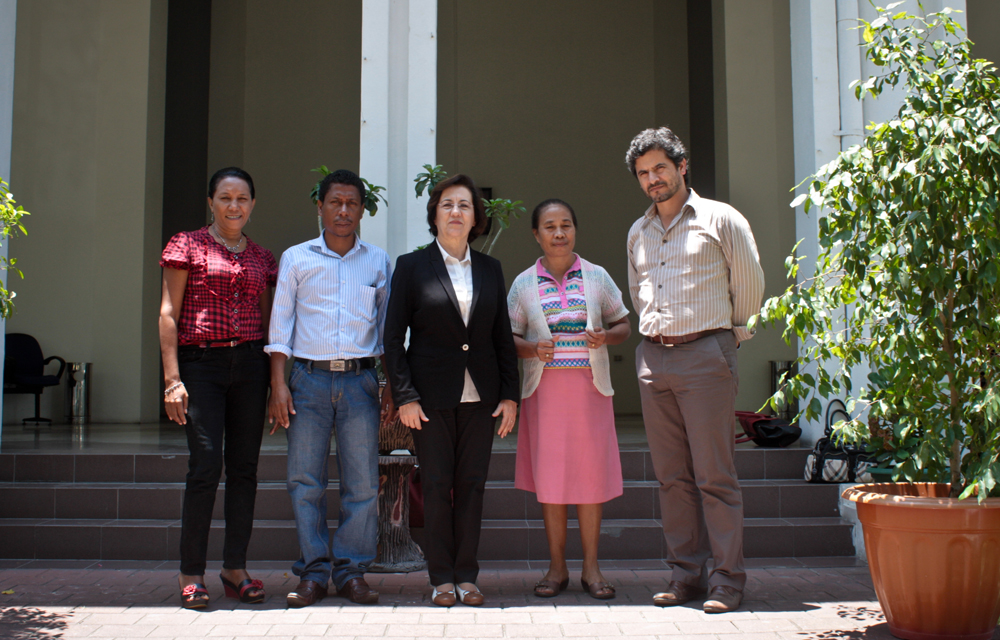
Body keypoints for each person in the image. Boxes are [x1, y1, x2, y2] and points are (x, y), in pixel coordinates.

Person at [625, 127, 765, 613]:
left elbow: (749, 285)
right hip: (654, 358)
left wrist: (732, 338)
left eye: (660, 168)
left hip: (706, 353)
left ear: (682, 167)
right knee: (672, 477)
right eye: (643, 173)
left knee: (715, 475)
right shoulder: (638, 232)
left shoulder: (720, 219)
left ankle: (728, 580)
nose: (652, 179)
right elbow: (638, 291)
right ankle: (686, 576)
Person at [384, 174, 519, 607]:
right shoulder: (411, 266)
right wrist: (405, 396)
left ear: (476, 217)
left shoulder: (491, 269)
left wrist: (510, 397)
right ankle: (441, 578)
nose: (456, 212)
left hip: (482, 399)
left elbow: (502, 339)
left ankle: (468, 576)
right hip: (429, 400)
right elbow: (392, 339)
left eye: (464, 205)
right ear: (434, 215)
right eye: (447, 205)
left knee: (473, 485)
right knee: (438, 484)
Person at [266, 169, 393, 608]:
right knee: (305, 481)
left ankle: (352, 571)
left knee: (361, 483)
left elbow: (387, 330)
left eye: (352, 204)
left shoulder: (378, 261)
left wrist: (391, 384)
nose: (343, 211)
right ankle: (314, 572)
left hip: (360, 381)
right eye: (334, 202)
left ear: (362, 209)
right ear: (319, 206)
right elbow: (280, 324)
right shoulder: (297, 258)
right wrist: (278, 384)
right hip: (308, 380)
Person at [159, 166, 277, 609]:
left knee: (245, 468)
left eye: (242, 199)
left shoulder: (263, 258)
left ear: (252, 204)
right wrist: (173, 380)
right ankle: (192, 573)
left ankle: (234, 569)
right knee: (206, 465)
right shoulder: (185, 245)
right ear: (211, 202)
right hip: (200, 363)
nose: (234, 206)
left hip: (249, 364)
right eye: (225, 198)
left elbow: (270, 324)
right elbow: (168, 313)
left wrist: (274, 382)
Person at [507, 199, 631, 600]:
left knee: (591, 481)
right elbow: (507, 338)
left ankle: (592, 569)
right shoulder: (524, 283)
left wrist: (606, 337)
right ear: (536, 234)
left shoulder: (596, 277)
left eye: (566, 225)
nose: (558, 233)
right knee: (553, 482)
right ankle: (556, 567)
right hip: (545, 395)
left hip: (590, 392)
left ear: (575, 229)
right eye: (549, 226)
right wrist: (531, 349)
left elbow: (624, 323)